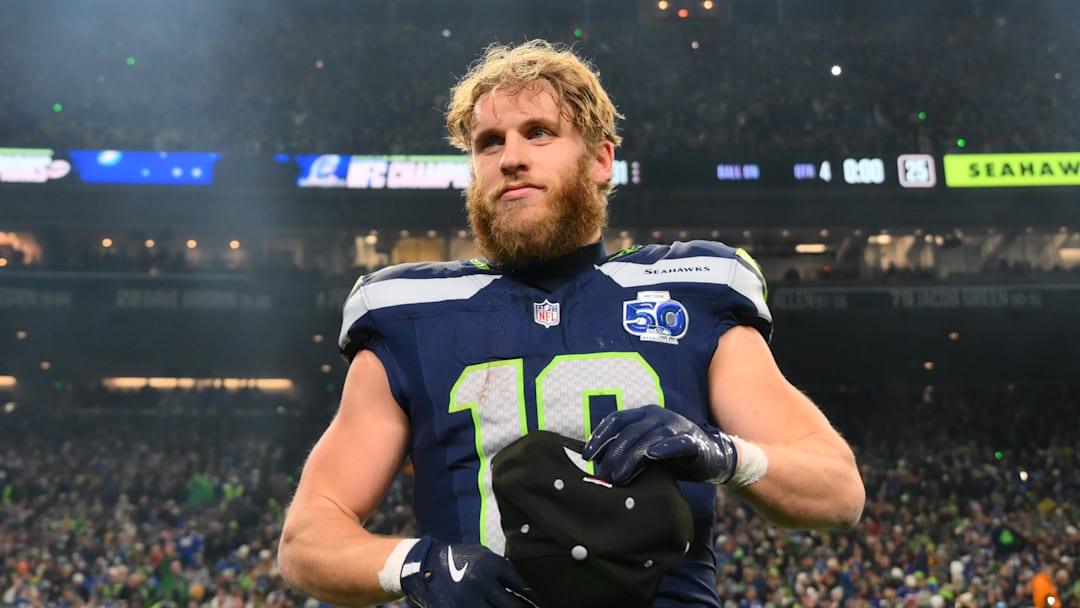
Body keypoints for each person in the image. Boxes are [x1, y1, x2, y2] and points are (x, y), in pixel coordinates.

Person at [277, 39, 865, 607]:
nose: (510, 157)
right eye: (488, 143)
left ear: (601, 160)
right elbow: (307, 539)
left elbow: (838, 492)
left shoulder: (696, 291)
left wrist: (721, 453)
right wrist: (416, 565)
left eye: (538, 132)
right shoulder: (408, 314)